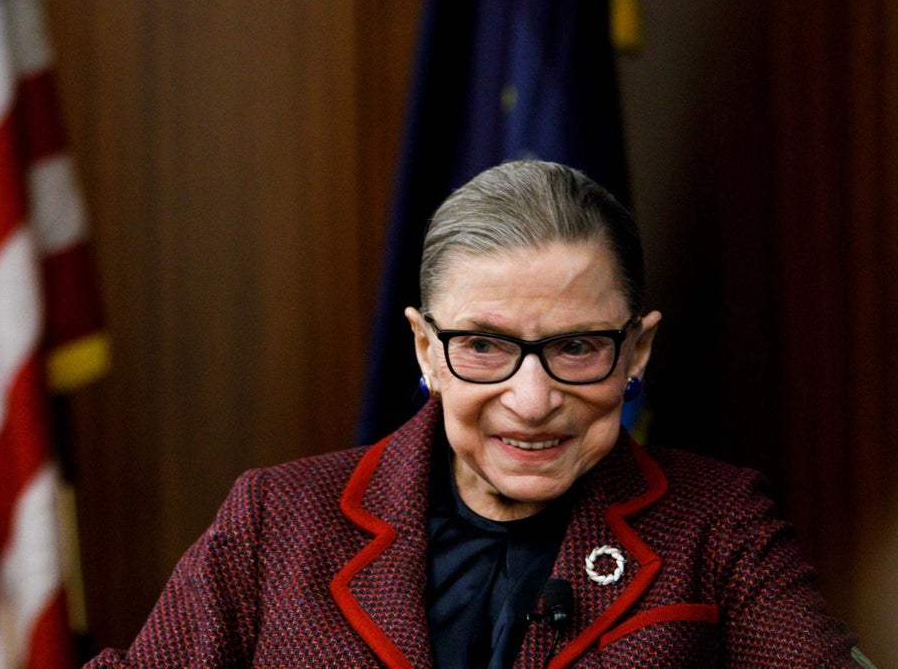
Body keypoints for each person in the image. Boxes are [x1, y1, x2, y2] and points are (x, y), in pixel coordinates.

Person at [84, 160, 873, 668]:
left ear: (636, 351)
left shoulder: (720, 525)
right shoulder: (277, 520)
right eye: (485, 347)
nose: (532, 402)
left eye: (577, 347)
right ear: (426, 349)